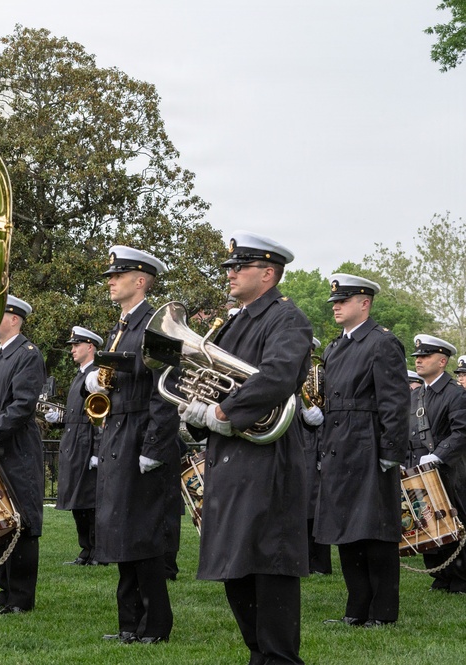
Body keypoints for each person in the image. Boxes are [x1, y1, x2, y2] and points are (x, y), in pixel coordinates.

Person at [181, 232, 312, 664]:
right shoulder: (233, 321)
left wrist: (222, 411)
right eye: (229, 267)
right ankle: (259, 653)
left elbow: (277, 377)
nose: (230, 273)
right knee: (234, 567)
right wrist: (194, 411)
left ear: (268, 273)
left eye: (239, 267)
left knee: (268, 565)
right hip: (231, 459)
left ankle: (278, 657)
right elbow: (206, 372)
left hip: (267, 459)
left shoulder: (287, 319)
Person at [86, 246, 180, 645]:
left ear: (140, 281)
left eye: (117, 275)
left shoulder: (156, 324)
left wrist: (154, 447)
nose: (110, 281)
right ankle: (129, 623)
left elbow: (165, 389)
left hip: (142, 431)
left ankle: (155, 626)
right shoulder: (122, 325)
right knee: (123, 532)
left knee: (142, 534)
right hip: (119, 430)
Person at [313, 273, 409, 627]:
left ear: (364, 303)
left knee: (375, 530)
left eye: (343, 301)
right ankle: (356, 610)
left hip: (369, 445)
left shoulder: (382, 343)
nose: (335, 306)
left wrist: (391, 450)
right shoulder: (335, 347)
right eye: (335, 302)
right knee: (346, 531)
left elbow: (395, 403)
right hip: (338, 446)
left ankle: (383, 613)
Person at [0, 295, 47, 616]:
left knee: (22, 522)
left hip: (17, 449)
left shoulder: (27, 355)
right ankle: (5, 592)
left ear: (15, 319)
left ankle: (21, 597)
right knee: (3, 522)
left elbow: (21, 406)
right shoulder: (4, 357)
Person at [408, 334, 466, 593]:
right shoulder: (416, 394)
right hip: (418, 471)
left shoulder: (455, 394)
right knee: (427, 523)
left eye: (425, 356)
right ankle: (441, 576)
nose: (419, 361)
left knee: (455, 521)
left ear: (442, 361)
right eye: (418, 357)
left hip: (449, 469)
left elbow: (462, 431)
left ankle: (461, 578)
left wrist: (438, 455)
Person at [48, 326, 104, 566]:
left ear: (90, 346)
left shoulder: (96, 375)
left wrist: (97, 452)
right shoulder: (81, 374)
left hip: (87, 446)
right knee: (78, 504)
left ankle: (97, 553)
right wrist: (59, 419)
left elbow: (100, 416)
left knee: (90, 504)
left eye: (76, 345)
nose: (72, 349)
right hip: (74, 445)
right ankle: (86, 550)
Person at [298, 337, 331, 575]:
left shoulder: (319, 377)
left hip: (313, 443)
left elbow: (330, 411)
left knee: (313, 504)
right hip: (292, 439)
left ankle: (319, 563)